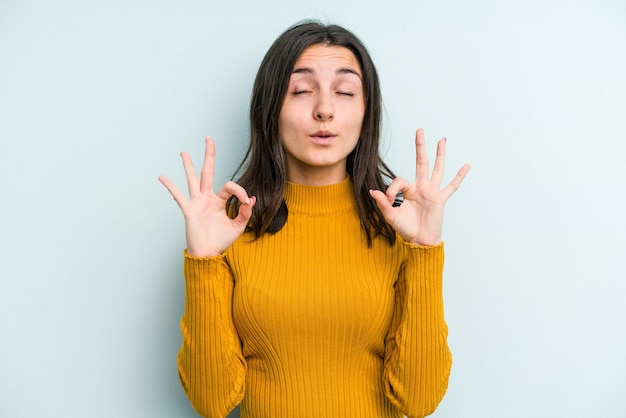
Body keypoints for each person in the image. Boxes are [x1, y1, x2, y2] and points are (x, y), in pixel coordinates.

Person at [159, 20, 470, 418]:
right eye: (302, 91)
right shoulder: (230, 226)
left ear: (365, 111)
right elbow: (213, 401)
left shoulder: (399, 224)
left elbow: (420, 400)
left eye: (345, 92)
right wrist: (203, 261)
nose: (324, 109)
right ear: (270, 107)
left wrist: (425, 251)